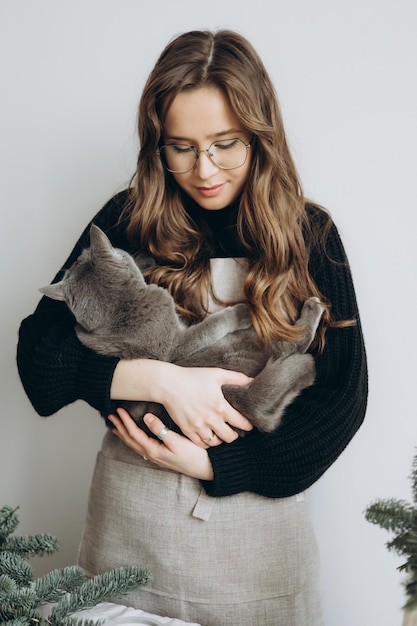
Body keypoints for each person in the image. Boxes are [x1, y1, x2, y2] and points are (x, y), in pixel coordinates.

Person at [17, 29, 368, 626]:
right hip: (130, 542)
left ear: (260, 136)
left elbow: (343, 400)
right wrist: (159, 380)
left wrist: (217, 466)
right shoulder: (127, 220)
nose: (203, 170)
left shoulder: (310, 235)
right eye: (181, 148)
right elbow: (39, 362)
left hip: (259, 554)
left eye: (225, 144)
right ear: (158, 143)